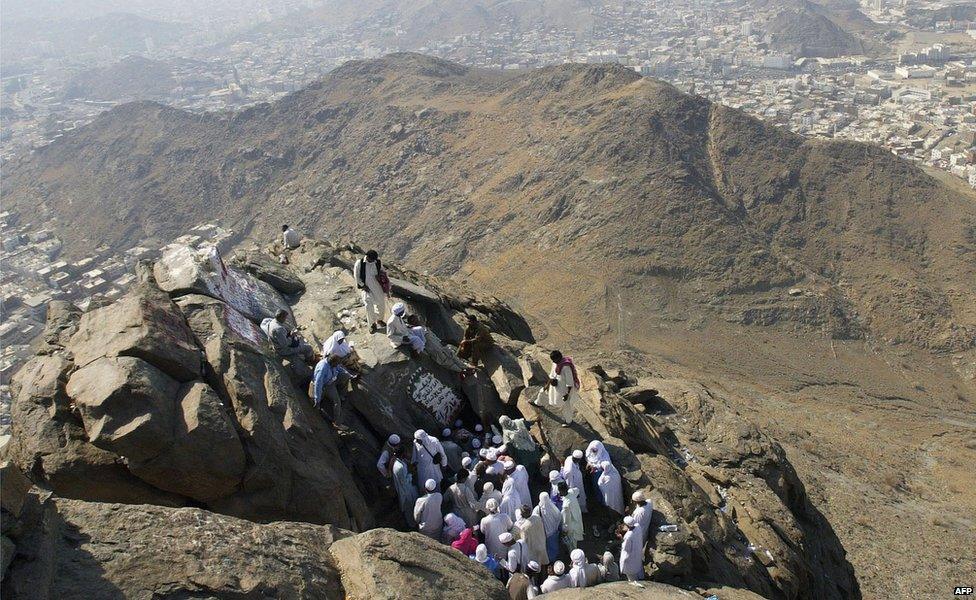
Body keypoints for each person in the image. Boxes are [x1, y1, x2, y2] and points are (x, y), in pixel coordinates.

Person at [406, 314, 474, 374]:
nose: (417, 320)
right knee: (446, 362)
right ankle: (462, 371)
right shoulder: (415, 330)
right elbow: (421, 341)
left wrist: (440, 341)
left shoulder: (422, 326)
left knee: (452, 355)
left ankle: (465, 367)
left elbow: (432, 336)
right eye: (415, 319)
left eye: (416, 318)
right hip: (434, 349)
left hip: (440, 344)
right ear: (412, 322)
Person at [312, 354, 354, 424]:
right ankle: (336, 422)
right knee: (337, 402)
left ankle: (341, 395)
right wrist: (317, 400)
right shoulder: (322, 369)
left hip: (332, 379)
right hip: (326, 385)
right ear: (332, 363)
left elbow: (339, 368)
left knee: (345, 376)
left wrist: (350, 375)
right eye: (336, 363)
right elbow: (318, 385)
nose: (337, 365)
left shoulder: (332, 364)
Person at [353, 250, 387, 333]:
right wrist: (362, 285)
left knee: (381, 304)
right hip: (366, 287)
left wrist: (381, 277)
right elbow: (356, 275)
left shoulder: (377, 262)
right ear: (367, 257)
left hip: (377, 286)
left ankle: (379, 320)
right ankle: (372, 324)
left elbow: (382, 271)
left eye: (374, 260)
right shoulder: (360, 263)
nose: (373, 261)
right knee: (369, 305)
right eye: (371, 259)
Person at [542, 350, 579, 426]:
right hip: (556, 386)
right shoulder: (555, 363)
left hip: (564, 390)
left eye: (554, 360)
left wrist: (567, 394)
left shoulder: (566, 367)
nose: (553, 361)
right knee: (542, 392)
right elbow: (552, 375)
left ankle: (568, 422)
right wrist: (547, 385)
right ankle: (538, 403)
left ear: (559, 358)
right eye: (552, 360)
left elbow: (570, 382)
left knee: (566, 405)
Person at [390, 447, 418, 528]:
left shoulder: (398, 462)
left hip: (406, 489)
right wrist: (410, 474)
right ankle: (412, 525)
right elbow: (404, 482)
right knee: (409, 509)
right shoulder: (399, 467)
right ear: (402, 454)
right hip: (405, 491)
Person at [533, 492, 562, 563]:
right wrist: (555, 526)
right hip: (553, 532)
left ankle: (548, 561)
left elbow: (533, 520)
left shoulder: (537, 509)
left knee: (546, 548)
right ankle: (554, 560)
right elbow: (558, 516)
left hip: (544, 533)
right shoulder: (552, 506)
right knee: (554, 547)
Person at [619, 516, 645, 586]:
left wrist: (621, 538)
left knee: (631, 577)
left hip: (630, 558)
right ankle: (641, 578)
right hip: (638, 551)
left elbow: (626, 549)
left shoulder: (628, 536)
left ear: (627, 525)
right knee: (638, 567)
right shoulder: (638, 526)